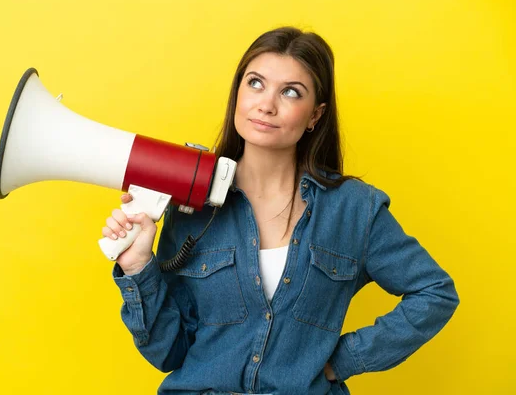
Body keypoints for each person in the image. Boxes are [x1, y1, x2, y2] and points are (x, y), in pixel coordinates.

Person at [102, 26, 460, 395]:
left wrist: (345, 359)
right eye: (255, 83)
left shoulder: (355, 209)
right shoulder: (193, 204)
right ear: (237, 94)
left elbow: (435, 292)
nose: (266, 104)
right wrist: (138, 267)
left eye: (290, 92)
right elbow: (170, 352)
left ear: (315, 116)